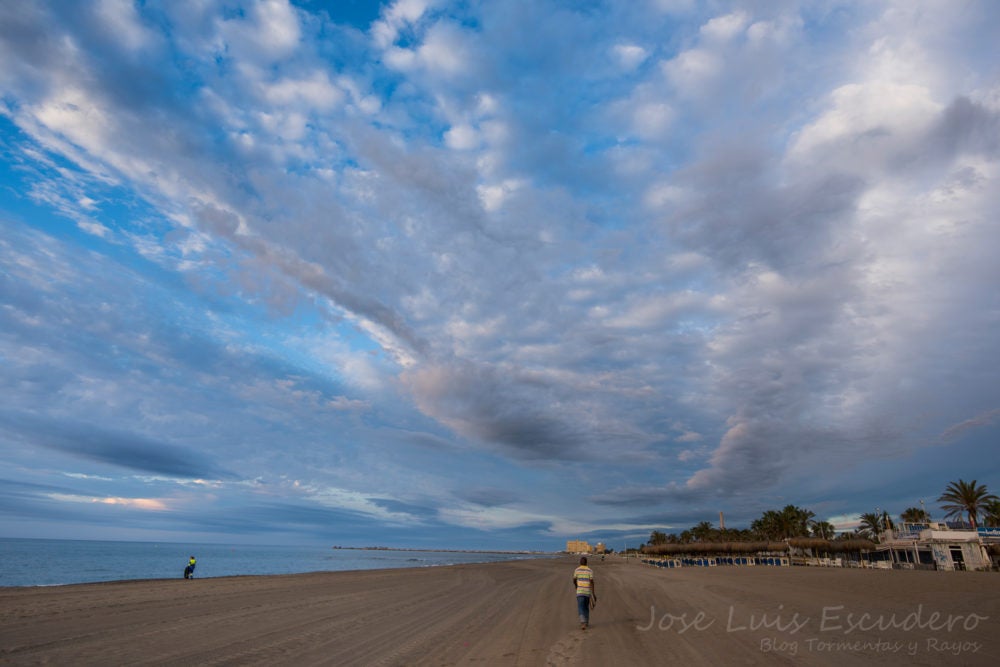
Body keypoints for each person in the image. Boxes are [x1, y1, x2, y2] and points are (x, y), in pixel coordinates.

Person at [572, 556, 596, 630]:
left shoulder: (577, 570)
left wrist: (576, 585)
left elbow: (574, 580)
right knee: (586, 607)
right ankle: (587, 622)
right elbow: (592, 582)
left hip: (580, 591)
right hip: (587, 592)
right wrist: (593, 593)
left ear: (580, 562)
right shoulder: (590, 571)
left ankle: (583, 622)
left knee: (580, 607)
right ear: (586, 563)